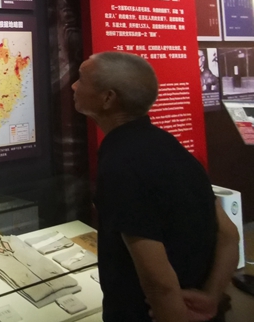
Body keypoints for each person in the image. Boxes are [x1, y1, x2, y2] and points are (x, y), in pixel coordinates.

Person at [72, 51, 239, 322]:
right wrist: (211, 297)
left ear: (108, 98)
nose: (73, 86)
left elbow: (159, 282)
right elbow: (229, 235)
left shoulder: (120, 165)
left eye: (81, 79)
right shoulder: (172, 147)